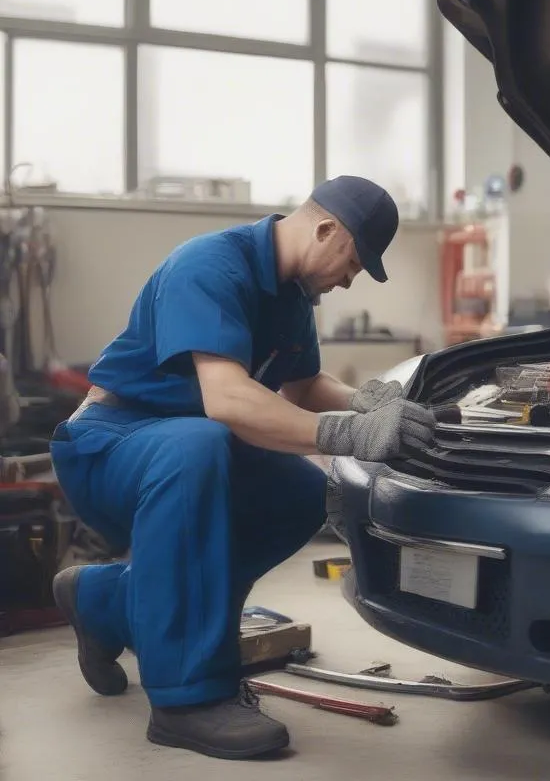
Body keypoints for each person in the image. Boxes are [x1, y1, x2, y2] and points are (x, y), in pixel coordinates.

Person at [48, 175, 434, 761]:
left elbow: (302, 387)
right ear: (326, 228)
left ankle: (106, 601)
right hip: (107, 445)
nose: (350, 278)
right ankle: (188, 699)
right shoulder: (208, 266)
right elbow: (227, 401)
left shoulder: (292, 299)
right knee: (198, 443)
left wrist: (364, 400)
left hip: (188, 451)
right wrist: (350, 435)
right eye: (354, 262)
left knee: (301, 490)